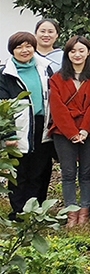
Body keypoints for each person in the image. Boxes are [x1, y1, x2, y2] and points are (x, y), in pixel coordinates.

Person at [48, 36, 90, 226]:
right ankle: (71, 212)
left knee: (87, 172)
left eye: (81, 50)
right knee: (68, 173)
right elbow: (57, 107)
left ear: (88, 52)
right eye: (72, 51)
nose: (77, 54)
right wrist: (71, 132)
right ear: (67, 54)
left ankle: (85, 212)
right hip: (63, 132)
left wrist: (85, 130)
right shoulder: (57, 77)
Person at [0, 31, 55, 217]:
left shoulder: (44, 68)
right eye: (19, 47)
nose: (25, 50)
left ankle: (35, 210)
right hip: (18, 127)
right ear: (12, 50)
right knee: (20, 172)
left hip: (42, 125)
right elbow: (3, 107)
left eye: (28, 46)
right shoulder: (5, 73)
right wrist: (9, 135)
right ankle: (19, 210)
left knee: (39, 170)